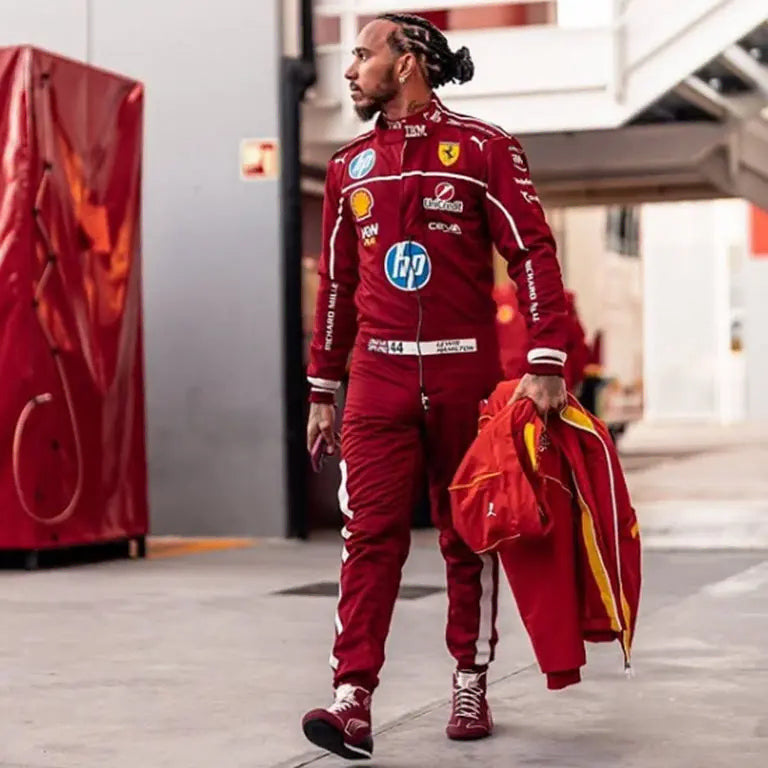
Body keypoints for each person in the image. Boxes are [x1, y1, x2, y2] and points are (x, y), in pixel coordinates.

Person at [302, 13, 570, 760]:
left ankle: (469, 678)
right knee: (369, 536)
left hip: (464, 375)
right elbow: (337, 285)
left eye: (362, 54)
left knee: (465, 537)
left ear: (408, 60)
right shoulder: (347, 167)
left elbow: (532, 252)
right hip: (377, 382)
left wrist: (546, 358)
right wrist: (323, 385)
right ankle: (351, 698)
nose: (350, 70)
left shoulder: (484, 150)